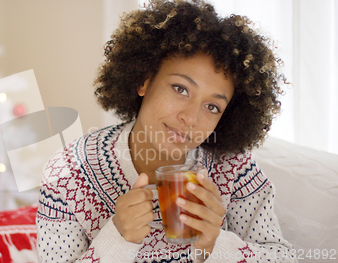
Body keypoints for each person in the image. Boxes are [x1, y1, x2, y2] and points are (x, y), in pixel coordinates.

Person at [36, 0, 296, 262]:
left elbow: (283, 258)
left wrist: (214, 247)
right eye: (181, 89)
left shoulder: (233, 167)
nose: (191, 118)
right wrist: (117, 240)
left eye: (212, 107)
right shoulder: (67, 174)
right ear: (144, 80)